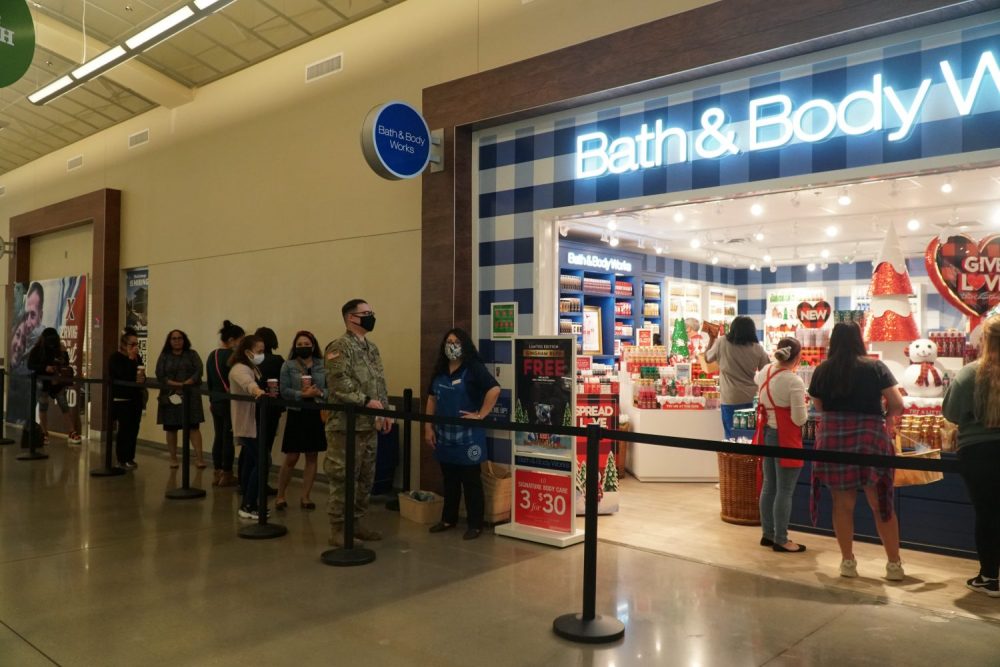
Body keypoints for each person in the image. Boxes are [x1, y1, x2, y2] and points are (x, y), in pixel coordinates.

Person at [808, 322, 905, 581]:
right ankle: (894, 565)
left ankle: (847, 562)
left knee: (842, 504)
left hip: (832, 438)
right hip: (870, 437)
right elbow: (897, 403)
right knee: (880, 502)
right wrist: (887, 418)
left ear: (833, 342)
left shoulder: (822, 370)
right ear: (859, 340)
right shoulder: (875, 367)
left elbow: (819, 406)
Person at [324, 299, 392, 548]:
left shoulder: (371, 348)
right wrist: (364, 401)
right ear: (351, 318)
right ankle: (338, 529)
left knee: (365, 478)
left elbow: (379, 382)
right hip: (345, 426)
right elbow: (338, 383)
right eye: (366, 313)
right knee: (344, 478)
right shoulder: (339, 347)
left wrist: (384, 412)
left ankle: (358, 523)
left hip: (369, 425)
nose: (371, 316)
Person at [943, 315, 1000, 597]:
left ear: (984, 340)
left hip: (978, 452)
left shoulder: (969, 373)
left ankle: (989, 577)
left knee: (987, 513)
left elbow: (951, 413)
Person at [425, 328, 500, 540]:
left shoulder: (473, 368)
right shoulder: (440, 370)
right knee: (449, 479)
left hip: (468, 437)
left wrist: (480, 414)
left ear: (465, 345)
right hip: (444, 435)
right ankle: (448, 519)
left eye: (456, 342)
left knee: (471, 481)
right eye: (448, 341)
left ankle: (475, 524)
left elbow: (494, 389)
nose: (452, 345)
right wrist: (428, 427)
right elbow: (432, 398)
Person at [754, 337, 808, 553]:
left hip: (766, 433)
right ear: (797, 357)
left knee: (769, 485)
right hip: (785, 438)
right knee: (785, 490)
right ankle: (781, 538)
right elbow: (799, 419)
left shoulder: (765, 371)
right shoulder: (793, 381)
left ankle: (767, 534)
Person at [275, 331, 327, 511]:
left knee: (312, 455)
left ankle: (306, 496)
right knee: (291, 456)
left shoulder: (323, 364)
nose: (303, 347)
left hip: (316, 413)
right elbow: (284, 390)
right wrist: (302, 394)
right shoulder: (288, 365)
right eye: (300, 344)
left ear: (313, 346)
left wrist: (319, 393)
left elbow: (331, 389)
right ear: (295, 346)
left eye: (307, 344)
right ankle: (280, 495)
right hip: (297, 413)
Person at [704, 315, 769, 439]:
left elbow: (707, 358)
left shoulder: (722, 342)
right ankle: (750, 458)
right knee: (751, 436)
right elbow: (766, 370)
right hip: (751, 398)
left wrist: (712, 339)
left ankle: (734, 458)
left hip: (730, 397)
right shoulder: (758, 348)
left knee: (731, 436)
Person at [155, 329, 206, 468]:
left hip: (191, 396)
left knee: (193, 427)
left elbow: (199, 370)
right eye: (174, 338)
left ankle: (199, 459)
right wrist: (177, 385)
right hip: (170, 395)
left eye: (180, 338)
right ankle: (173, 458)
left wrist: (187, 383)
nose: (177, 341)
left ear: (184, 340)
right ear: (169, 341)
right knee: (171, 428)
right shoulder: (164, 356)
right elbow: (160, 374)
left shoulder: (192, 354)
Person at [229, 335, 267, 520]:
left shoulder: (253, 367)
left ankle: (251, 502)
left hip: (253, 421)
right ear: (247, 352)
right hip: (246, 422)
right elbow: (247, 383)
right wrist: (257, 391)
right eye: (259, 351)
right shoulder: (240, 369)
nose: (262, 354)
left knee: (252, 461)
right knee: (262, 460)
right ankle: (248, 503)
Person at [27, 327, 83, 444]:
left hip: (57, 382)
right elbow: (30, 365)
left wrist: (63, 353)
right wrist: (45, 368)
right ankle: (44, 432)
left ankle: (71, 431)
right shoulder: (38, 349)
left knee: (64, 405)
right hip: (43, 382)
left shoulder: (59, 348)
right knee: (43, 407)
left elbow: (65, 363)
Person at [206, 320, 244, 487]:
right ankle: (227, 473)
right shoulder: (231, 356)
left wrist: (212, 400)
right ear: (231, 340)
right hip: (229, 402)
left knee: (218, 436)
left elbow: (210, 381)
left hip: (216, 401)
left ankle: (217, 472)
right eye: (241, 341)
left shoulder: (211, 355)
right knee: (228, 437)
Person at [108, 328, 146, 469]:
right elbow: (123, 375)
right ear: (124, 345)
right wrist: (130, 360)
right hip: (121, 399)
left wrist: (142, 378)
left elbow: (139, 375)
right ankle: (121, 459)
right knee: (124, 430)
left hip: (135, 399)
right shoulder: (115, 358)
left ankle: (130, 457)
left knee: (133, 429)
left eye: (137, 344)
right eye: (132, 344)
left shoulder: (138, 358)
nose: (135, 347)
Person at [254, 326, 285, 496]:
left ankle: (247, 482)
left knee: (250, 446)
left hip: (253, 407)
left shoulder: (252, 361)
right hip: (272, 408)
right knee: (266, 446)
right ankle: (261, 482)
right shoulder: (278, 360)